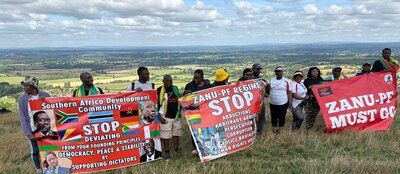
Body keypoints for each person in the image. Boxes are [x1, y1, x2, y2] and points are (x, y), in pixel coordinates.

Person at [18, 76, 51, 174]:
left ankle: (49, 167)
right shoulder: (23, 99)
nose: (24, 87)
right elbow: (22, 117)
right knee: (35, 151)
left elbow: (53, 108)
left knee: (48, 149)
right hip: (32, 129)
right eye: (23, 85)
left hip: (46, 129)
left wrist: (45, 101)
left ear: (33, 86)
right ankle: (38, 169)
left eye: (26, 85)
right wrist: (28, 133)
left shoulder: (45, 95)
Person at [183, 69, 212, 154]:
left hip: (206, 112)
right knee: (195, 129)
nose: (195, 80)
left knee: (206, 128)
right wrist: (186, 93)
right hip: (194, 112)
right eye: (194, 78)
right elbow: (185, 100)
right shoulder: (189, 85)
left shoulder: (208, 86)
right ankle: (195, 147)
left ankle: (207, 145)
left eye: (198, 79)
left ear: (202, 78)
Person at [157, 75, 182, 161]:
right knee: (165, 135)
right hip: (165, 116)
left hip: (176, 115)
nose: (169, 83)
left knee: (176, 133)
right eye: (167, 81)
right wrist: (159, 116)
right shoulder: (159, 90)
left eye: (171, 81)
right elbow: (156, 104)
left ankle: (176, 150)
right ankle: (167, 152)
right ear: (163, 81)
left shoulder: (175, 88)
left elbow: (179, 98)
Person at [268, 66, 293, 135]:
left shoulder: (286, 81)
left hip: (283, 103)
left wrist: (290, 103)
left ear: (282, 72)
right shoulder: (271, 80)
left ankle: (280, 132)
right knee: (273, 117)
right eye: (277, 71)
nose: (279, 73)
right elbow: (268, 90)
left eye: (280, 71)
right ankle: (274, 131)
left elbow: (289, 92)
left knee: (282, 117)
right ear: (275, 73)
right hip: (272, 103)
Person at [252, 63, 267, 135]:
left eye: (259, 69)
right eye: (257, 69)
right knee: (252, 118)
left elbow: (266, 91)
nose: (258, 71)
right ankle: (252, 133)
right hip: (252, 103)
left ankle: (260, 133)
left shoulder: (262, 80)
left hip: (261, 101)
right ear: (253, 69)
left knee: (262, 118)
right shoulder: (249, 79)